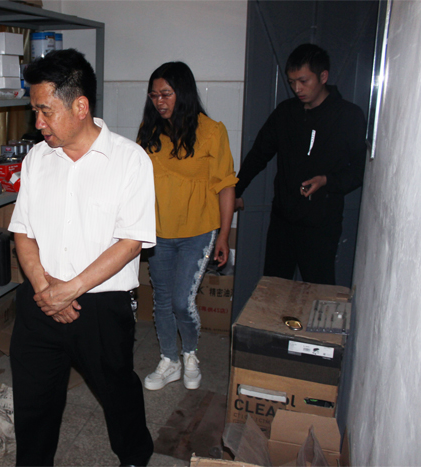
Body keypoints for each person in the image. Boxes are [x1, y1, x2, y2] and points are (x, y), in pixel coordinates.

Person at [8, 48, 156, 466]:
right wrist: (45, 289)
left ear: (80, 106)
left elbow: (131, 241)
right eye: (35, 112)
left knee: (118, 394)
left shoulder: (129, 161)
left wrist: (68, 291)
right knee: (33, 404)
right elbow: (23, 231)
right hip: (40, 299)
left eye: (46, 111)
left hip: (101, 306)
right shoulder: (38, 158)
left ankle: (134, 457)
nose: (38, 123)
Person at [136, 62, 237, 391]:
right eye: (154, 95)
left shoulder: (212, 131)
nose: (159, 101)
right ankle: (170, 360)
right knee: (162, 301)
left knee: (182, 301)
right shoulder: (149, 131)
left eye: (166, 94)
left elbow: (226, 186)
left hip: (198, 231)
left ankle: (190, 354)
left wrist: (224, 235)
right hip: (158, 233)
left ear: (184, 93)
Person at [235, 43, 366, 285]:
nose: (297, 88)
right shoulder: (286, 113)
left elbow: (359, 171)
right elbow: (258, 155)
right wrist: (235, 191)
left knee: (318, 291)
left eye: (304, 81)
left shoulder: (348, 116)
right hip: (283, 221)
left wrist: (327, 181)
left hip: (321, 225)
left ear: (323, 76)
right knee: (273, 290)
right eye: (292, 82)